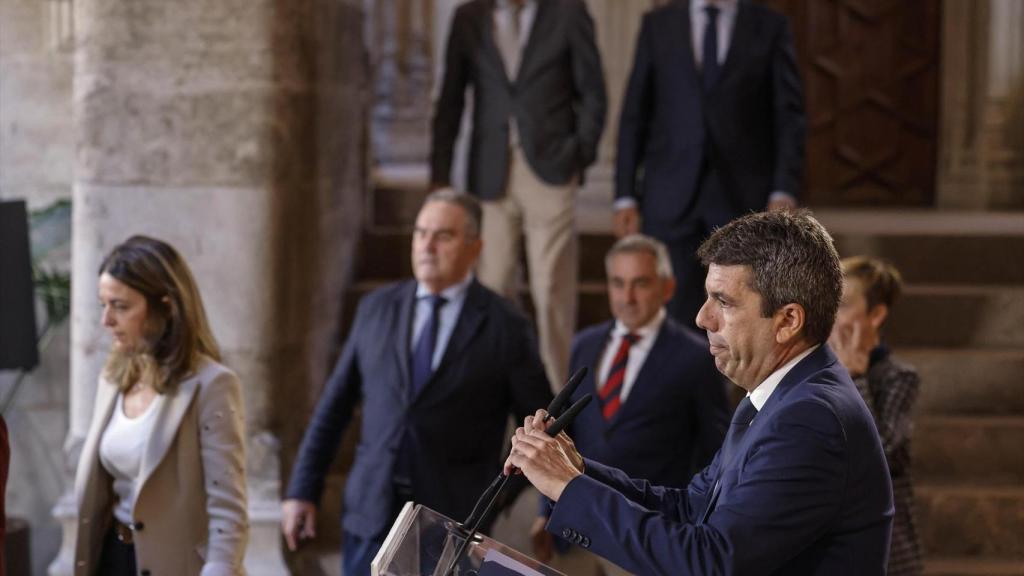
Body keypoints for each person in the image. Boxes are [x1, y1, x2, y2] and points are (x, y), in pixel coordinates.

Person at [506, 210, 894, 575]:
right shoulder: (781, 396)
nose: (702, 317)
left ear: (788, 320)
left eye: (723, 302)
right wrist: (577, 471)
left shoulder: (810, 419)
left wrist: (568, 488)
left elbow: (711, 563)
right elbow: (691, 508)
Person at [282, 190, 553, 576]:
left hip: (453, 524)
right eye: (420, 233)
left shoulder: (506, 325)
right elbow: (333, 408)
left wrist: (496, 498)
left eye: (443, 235)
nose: (427, 245)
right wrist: (301, 490)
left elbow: (544, 427)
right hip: (369, 515)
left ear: (475, 247)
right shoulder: (376, 308)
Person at [430, 0, 607, 389]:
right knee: (492, 289)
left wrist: (578, 156)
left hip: (550, 171)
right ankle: (501, 399)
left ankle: (556, 405)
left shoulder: (568, 12)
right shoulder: (469, 17)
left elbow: (593, 91)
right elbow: (451, 97)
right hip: (489, 174)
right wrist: (440, 175)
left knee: (552, 292)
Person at [531, 234, 728, 576]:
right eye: (618, 283)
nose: (628, 297)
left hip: (643, 539)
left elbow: (714, 451)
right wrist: (543, 511)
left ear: (667, 287)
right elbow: (563, 431)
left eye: (641, 283)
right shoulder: (584, 344)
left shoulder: (697, 357)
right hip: (573, 530)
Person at [613, 0, 805, 328]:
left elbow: (789, 117)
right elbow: (634, 116)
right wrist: (625, 195)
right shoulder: (658, 26)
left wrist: (783, 188)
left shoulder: (770, 26)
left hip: (743, 197)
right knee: (672, 311)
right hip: (669, 196)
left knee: (740, 309)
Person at [74, 236, 248, 576]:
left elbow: (228, 512)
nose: (106, 320)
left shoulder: (212, 384)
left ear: (166, 306)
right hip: (113, 558)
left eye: (120, 306)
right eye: (103, 304)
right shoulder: (112, 379)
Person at [830, 256, 922, 576]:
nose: (830, 313)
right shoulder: (812, 370)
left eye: (842, 305)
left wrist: (855, 378)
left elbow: (881, 451)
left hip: (885, 544)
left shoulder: (897, 377)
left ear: (876, 315)